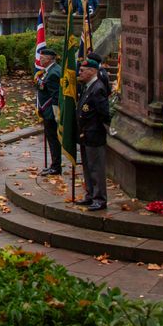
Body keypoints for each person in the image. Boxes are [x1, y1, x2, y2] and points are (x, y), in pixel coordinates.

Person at [76, 58, 111, 211]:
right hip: (85, 134)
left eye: (82, 71)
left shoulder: (98, 88)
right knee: (88, 167)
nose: (80, 73)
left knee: (96, 168)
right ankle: (90, 195)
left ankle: (99, 199)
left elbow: (103, 114)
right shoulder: (88, 87)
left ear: (92, 71)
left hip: (94, 134)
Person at [35, 48, 62, 175]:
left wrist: (55, 114)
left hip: (51, 113)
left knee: (53, 139)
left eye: (43, 58)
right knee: (51, 139)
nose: (40, 59)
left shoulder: (53, 73)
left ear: (51, 59)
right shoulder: (49, 71)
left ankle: (56, 167)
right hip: (48, 111)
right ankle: (54, 164)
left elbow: (55, 96)